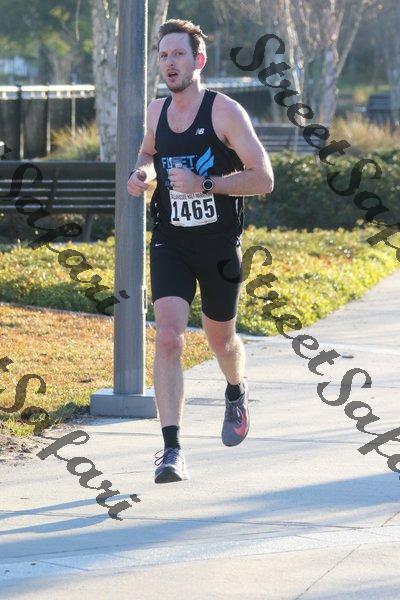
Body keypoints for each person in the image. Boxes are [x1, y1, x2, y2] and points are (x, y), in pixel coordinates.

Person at [127, 19, 274, 484]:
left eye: (178, 54)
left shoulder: (225, 112)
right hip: (170, 241)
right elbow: (149, 154)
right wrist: (143, 175)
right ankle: (171, 450)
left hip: (218, 245)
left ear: (199, 60)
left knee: (220, 340)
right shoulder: (156, 112)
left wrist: (204, 184)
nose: (169, 63)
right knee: (169, 338)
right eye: (163, 55)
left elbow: (263, 178)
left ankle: (236, 389)